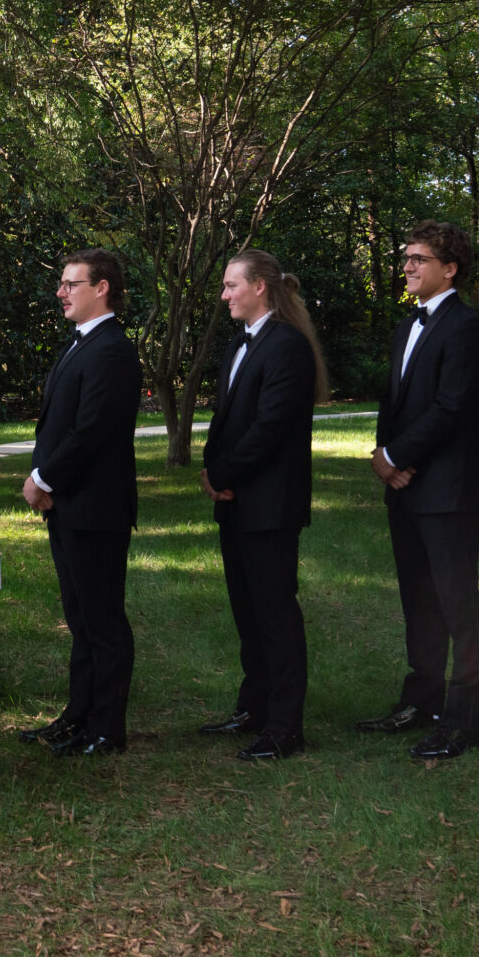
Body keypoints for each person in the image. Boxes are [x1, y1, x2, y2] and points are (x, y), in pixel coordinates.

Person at [357, 221, 479, 760]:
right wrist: (383, 457)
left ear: (450, 267)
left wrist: (397, 457)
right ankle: (422, 701)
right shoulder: (405, 326)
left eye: (418, 258)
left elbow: (452, 408)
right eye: (406, 257)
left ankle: (463, 720)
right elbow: (394, 403)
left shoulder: (466, 327)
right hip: (406, 489)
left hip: (448, 491)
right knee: (419, 600)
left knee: (458, 602)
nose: (408, 266)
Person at [198, 250, 325, 761]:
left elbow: (270, 428)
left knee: (275, 615)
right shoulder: (240, 344)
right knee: (247, 614)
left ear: (260, 289)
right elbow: (226, 420)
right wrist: (212, 471)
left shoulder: (287, 346)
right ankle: (253, 706)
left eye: (231, 285)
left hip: (270, 505)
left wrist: (225, 474)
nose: (225, 294)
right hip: (237, 503)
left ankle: (285, 725)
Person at [16, 249, 143, 758]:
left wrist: (43, 478)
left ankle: (108, 730)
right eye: (63, 283)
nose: (61, 292)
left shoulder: (112, 349)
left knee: (103, 620)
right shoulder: (83, 344)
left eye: (72, 283)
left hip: (97, 508)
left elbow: (92, 431)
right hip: (71, 506)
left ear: (102, 288)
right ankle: (79, 716)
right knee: (81, 618)